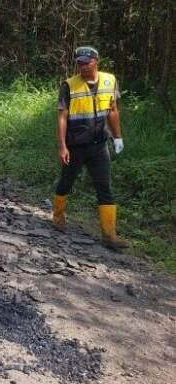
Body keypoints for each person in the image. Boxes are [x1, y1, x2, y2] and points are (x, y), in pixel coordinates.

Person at [52, 46, 129, 250]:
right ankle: (58, 216)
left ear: (96, 61)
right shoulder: (68, 85)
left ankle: (109, 235)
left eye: (87, 62)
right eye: (79, 63)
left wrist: (117, 137)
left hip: (99, 146)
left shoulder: (109, 80)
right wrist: (62, 146)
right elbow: (62, 116)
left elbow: (113, 110)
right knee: (66, 182)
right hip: (75, 146)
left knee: (104, 187)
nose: (83, 66)